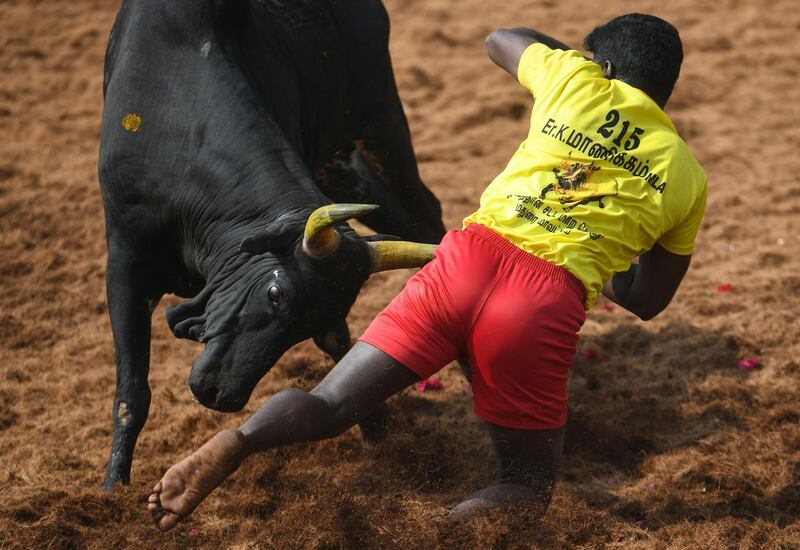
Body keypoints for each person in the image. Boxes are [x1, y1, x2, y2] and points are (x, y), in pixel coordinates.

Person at [147, 13, 707, 530]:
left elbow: (502, 38)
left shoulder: (573, 81)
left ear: (603, 67)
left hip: (465, 259)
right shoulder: (687, 174)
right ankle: (434, 535)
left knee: (330, 405)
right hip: (541, 303)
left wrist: (577, 68)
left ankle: (241, 441)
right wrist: (596, 251)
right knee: (526, 484)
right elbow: (648, 298)